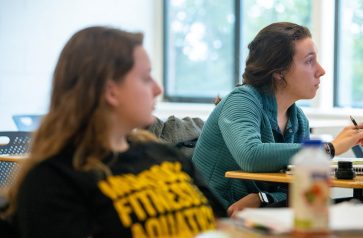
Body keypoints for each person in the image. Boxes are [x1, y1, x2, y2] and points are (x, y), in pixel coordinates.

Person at [1, 26, 226, 237]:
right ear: (111, 91)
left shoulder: (162, 153)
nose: (158, 89)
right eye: (146, 77)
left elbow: (220, 223)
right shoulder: (53, 180)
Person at [192, 22, 363, 216]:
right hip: (207, 218)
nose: (321, 70)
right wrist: (328, 148)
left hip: (259, 221)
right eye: (309, 61)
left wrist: (263, 198)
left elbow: (297, 189)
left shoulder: (298, 120)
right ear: (278, 71)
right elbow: (251, 155)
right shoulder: (241, 99)